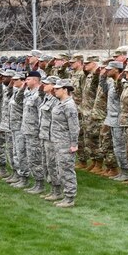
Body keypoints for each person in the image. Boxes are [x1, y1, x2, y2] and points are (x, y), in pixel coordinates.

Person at [50, 79, 80, 208]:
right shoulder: (60, 103)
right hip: (58, 141)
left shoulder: (69, 105)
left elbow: (74, 127)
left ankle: (69, 198)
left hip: (65, 143)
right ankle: (65, 195)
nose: (54, 91)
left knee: (66, 170)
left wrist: (74, 144)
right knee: (60, 170)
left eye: (57, 89)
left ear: (65, 90)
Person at [100, 61, 128, 181]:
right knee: (116, 147)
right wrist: (102, 76)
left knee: (120, 146)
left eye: (109, 69)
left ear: (116, 70)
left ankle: (126, 172)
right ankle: (122, 171)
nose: (107, 71)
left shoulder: (121, 83)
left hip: (118, 118)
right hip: (111, 118)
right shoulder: (111, 82)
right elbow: (104, 88)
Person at [38, 76, 61, 201]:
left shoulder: (56, 101)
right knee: (46, 163)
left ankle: (57, 190)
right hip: (44, 135)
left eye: (47, 84)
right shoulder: (46, 98)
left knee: (53, 164)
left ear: (53, 86)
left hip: (52, 137)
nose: (43, 85)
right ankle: (52, 188)